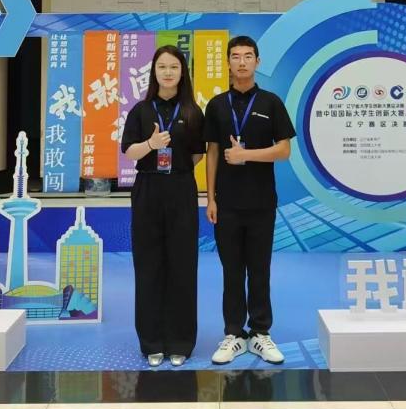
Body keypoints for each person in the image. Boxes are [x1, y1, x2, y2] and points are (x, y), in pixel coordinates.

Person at [204, 35, 296, 365]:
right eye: (235, 56)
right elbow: (212, 153)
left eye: (247, 56)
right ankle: (233, 334)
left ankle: (260, 333)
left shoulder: (271, 103)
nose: (241, 62)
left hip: (261, 203)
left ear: (257, 61)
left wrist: (247, 155)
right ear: (228, 62)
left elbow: (284, 150)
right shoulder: (216, 105)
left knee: (259, 270)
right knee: (231, 271)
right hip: (226, 204)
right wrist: (210, 199)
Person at [121, 45, 204, 368]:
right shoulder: (140, 111)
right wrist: (151, 145)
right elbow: (129, 152)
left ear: (182, 73)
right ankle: (152, 341)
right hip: (148, 189)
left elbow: (197, 154)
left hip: (181, 189)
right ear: (154, 72)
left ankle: (181, 341)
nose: (168, 72)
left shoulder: (193, 112)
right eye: (162, 67)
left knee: (183, 266)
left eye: (174, 67)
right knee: (148, 266)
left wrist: (176, 168)